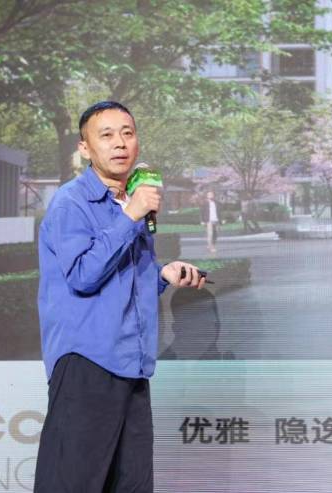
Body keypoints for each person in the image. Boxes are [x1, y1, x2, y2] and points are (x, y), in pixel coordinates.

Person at [34, 101, 206, 493]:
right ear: (85, 148)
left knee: (131, 485)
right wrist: (130, 216)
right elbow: (82, 275)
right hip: (86, 362)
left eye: (127, 133)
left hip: (132, 363)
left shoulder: (130, 202)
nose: (120, 143)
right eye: (107, 135)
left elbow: (121, 280)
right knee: (73, 483)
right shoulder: (71, 202)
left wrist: (162, 275)